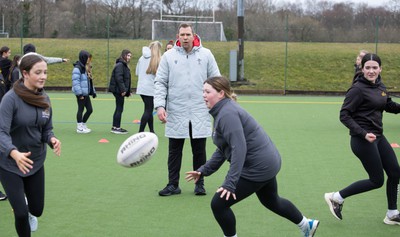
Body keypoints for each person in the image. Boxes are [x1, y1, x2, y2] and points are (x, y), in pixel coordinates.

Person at [185, 76, 319, 237]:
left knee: (219, 204)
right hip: (268, 162)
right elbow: (224, 148)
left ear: (221, 93)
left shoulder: (227, 114)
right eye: (203, 91)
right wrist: (203, 170)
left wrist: (230, 183)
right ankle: (307, 225)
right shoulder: (224, 110)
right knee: (271, 200)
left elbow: (239, 149)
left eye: (207, 91)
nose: (203, 95)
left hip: (259, 166)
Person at [325, 53, 400, 226]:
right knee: (376, 180)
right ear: (362, 68)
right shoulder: (357, 89)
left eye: (375, 67)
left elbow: (388, 105)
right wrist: (363, 133)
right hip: (362, 139)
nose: (371, 71)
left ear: (380, 69)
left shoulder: (380, 85)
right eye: (368, 68)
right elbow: (344, 115)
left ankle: (392, 214)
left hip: (378, 137)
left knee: (395, 172)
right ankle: (336, 197)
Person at [154, 23, 221, 196]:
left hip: (200, 110)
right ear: (178, 36)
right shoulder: (168, 56)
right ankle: (172, 184)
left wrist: (218, 105)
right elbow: (160, 82)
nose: (185, 37)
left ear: (194, 35)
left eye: (188, 34)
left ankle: (200, 183)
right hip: (176, 110)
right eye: (182, 34)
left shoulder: (206, 55)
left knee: (199, 150)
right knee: (174, 151)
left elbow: (216, 80)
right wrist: (160, 106)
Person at [0, 53, 62, 236]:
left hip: (35, 162)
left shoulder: (45, 99)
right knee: (20, 213)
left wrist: (52, 139)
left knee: (36, 210)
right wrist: (13, 152)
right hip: (9, 164)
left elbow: (47, 129)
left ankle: (27, 207)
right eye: (38, 72)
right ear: (25, 73)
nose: (43, 76)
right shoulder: (10, 99)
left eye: (45, 72)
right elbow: (1, 132)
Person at [135, 41, 162, 133]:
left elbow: (137, 72)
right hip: (150, 88)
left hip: (141, 88)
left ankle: (152, 130)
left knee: (148, 109)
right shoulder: (157, 59)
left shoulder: (141, 58)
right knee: (148, 110)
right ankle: (140, 132)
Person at [72, 50, 96, 134]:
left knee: (90, 110)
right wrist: (79, 94)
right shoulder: (77, 68)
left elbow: (89, 81)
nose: (89, 60)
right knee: (81, 109)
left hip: (86, 93)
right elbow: (75, 81)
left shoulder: (86, 67)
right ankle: (79, 127)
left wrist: (93, 91)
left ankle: (83, 124)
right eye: (87, 58)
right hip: (81, 93)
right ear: (83, 57)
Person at [108, 49, 132, 134]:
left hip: (119, 90)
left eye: (130, 56)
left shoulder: (123, 65)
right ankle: (116, 128)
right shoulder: (120, 65)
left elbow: (125, 79)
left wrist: (128, 91)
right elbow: (119, 78)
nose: (129, 57)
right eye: (128, 55)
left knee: (119, 108)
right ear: (124, 55)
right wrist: (123, 90)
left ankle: (115, 126)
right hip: (118, 90)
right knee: (119, 108)